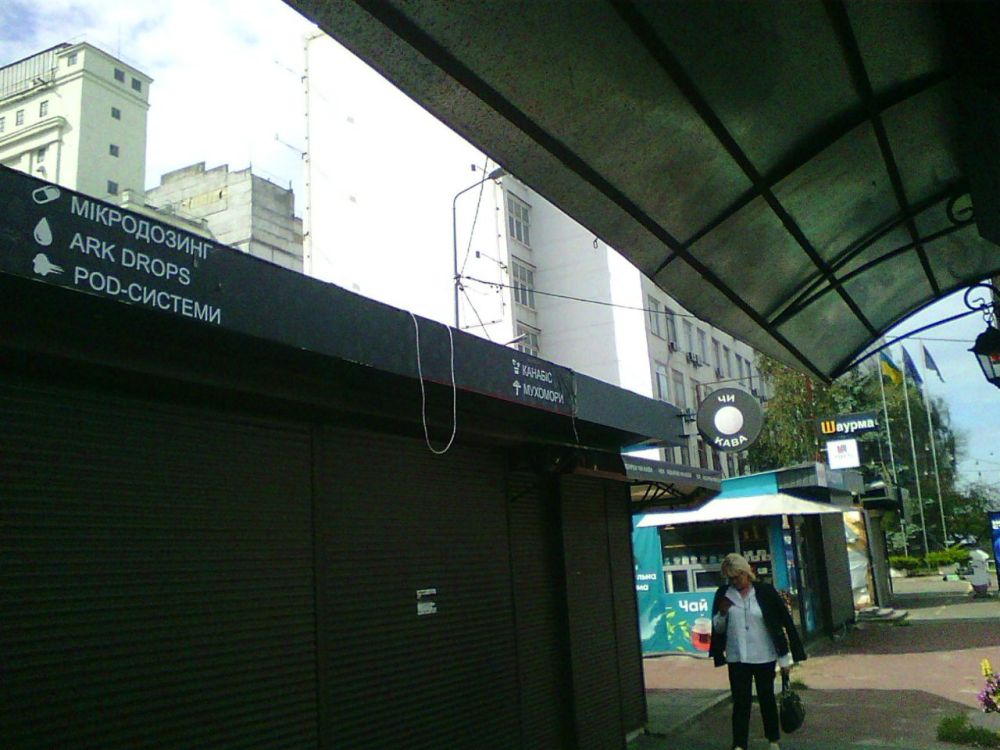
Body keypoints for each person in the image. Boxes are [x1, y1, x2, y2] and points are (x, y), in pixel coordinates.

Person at [710, 552, 806, 750]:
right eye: (730, 578)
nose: (734, 582)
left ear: (746, 573)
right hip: (737, 657)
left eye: (737, 577)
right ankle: (739, 744)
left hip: (764, 655)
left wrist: (784, 659)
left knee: (767, 699)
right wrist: (722, 612)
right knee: (740, 703)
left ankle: (773, 740)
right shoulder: (724, 594)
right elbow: (718, 629)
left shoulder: (764, 592)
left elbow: (780, 624)